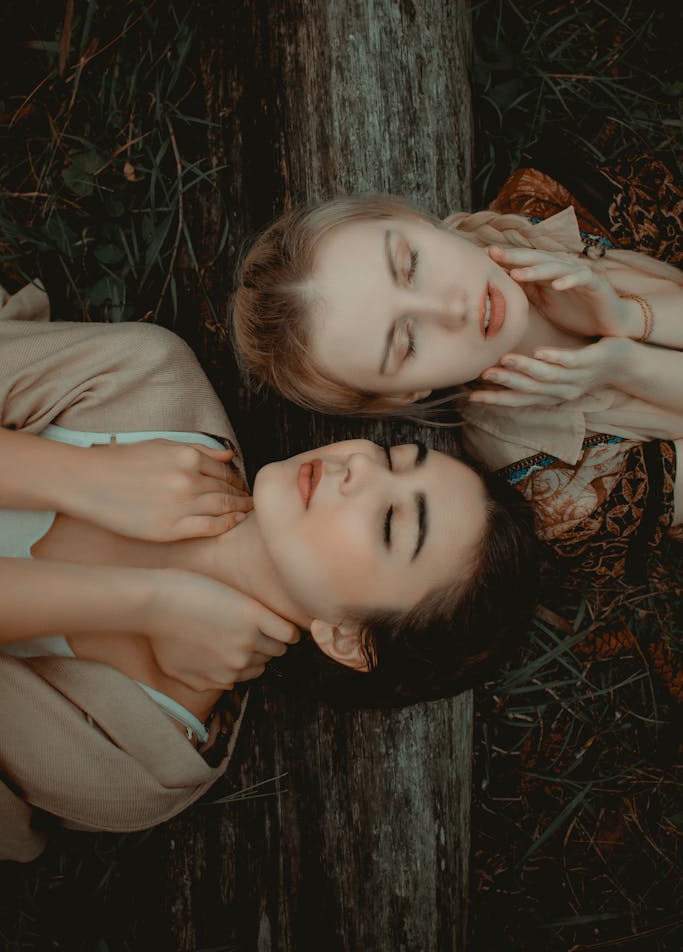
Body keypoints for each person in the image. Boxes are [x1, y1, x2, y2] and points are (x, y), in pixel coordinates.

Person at [0, 281, 538, 862]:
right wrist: (81, 477)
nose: (358, 464)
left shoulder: (137, 765)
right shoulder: (146, 379)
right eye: (391, 458)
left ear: (348, 639)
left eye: (389, 523)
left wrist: (146, 601)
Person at [231, 191, 683, 587]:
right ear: (407, 394)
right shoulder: (562, 493)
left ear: (412, 219)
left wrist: (625, 317)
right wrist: (627, 364)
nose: (451, 308)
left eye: (411, 265)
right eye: (407, 344)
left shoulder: (548, 202)